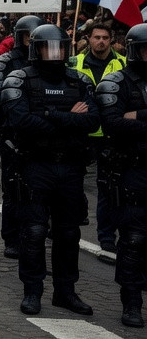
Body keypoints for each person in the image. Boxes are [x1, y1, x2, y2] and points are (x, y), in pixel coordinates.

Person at [0, 24, 99, 316]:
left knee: (68, 233)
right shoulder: (20, 79)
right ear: (36, 49)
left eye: (59, 48)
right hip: (35, 164)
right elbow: (20, 121)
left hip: (70, 165)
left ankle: (65, 291)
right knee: (33, 231)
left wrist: (47, 115)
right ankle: (32, 291)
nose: (54, 54)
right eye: (48, 48)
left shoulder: (79, 80)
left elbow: (92, 120)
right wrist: (67, 117)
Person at [98, 23, 147, 327]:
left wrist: (139, 115)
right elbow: (113, 123)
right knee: (133, 239)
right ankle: (131, 303)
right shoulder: (116, 82)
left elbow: (128, 121)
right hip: (131, 170)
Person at [0, 14, 42, 260]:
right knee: (13, 189)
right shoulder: (4, 64)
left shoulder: (50, 64)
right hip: (13, 135)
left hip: (42, 136)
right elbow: (0, 103)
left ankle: (34, 235)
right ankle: (11, 237)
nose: (33, 40)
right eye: (29, 36)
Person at [73, 20, 126, 259]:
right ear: (89, 39)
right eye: (97, 37)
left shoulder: (123, 64)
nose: (101, 42)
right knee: (72, 183)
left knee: (108, 186)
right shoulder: (74, 63)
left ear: (111, 40)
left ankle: (106, 237)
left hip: (109, 134)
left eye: (105, 38)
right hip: (80, 133)